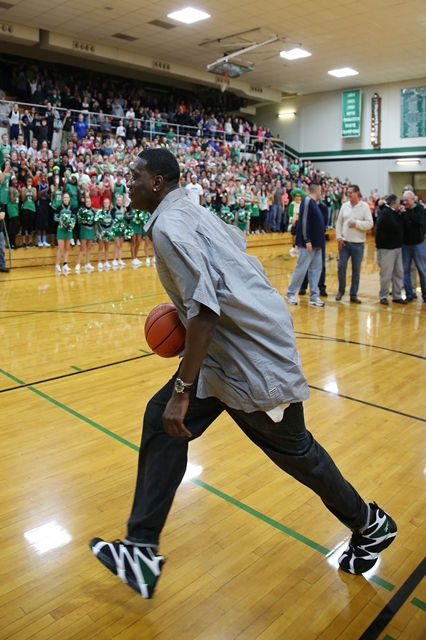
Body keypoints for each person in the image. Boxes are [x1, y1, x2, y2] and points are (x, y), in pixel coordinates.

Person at [90, 149, 397, 599]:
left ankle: (369, 524)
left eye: (134, 175)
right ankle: (140, 549)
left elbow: (205, 310)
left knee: (298, 454)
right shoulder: (190, 210)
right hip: (226, 357)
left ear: (157, 182)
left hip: (255, 359)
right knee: (163, 421)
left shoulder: (172, 227)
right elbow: (236, 246)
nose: (127, 181)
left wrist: (183, 388)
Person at [285, 184, 325, 307]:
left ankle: (314, 296)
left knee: (316, 270)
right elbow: (303, 221)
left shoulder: (315, 204)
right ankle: (290, 293)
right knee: (301, 269)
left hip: (318, 244)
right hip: (308, 244)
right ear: (317, 191)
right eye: (320, 191)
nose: (321, 193)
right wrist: (307, 240)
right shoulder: (307, 201)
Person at [335, 185, 373, 303]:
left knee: (356, 271)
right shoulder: (344, 206)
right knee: (341, 267)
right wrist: (339, 238)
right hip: (345, 243)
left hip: (358, 244)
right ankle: (341, 290)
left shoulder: (364, 207)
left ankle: (353, 294)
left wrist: (356, 223)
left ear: (357, 193)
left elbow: (369, 224)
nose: (349, 194)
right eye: (348, 192)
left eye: (351, 192)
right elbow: (339, 223)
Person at [375, 195, 406, 305]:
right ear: (392, 204)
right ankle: (383, 295)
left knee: (398, 272)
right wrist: (402, 216)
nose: (400, 205)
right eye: (398, 203)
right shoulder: (386, 213)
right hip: (387, 248)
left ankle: (397, 295)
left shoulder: (394, 213)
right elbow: (397, 227)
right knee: (386, 274)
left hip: (397, 247)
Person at [400, 190, 426, 303]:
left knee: (422, 269)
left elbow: (419, 220)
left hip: (418, 243)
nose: (405, 202)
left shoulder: (420, 208)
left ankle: (425, 294)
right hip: (405, 244)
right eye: (404, 200)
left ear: (413, 199)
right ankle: (409, 294)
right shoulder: (402, 207)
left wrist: (406, 213)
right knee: (405, 270)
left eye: (407, 200)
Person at [55, 193, 76, 275]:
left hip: (68, 230)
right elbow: (55, 217)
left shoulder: (72, 208)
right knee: (60, 249)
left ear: (69, 199)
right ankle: (57, 264)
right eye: (65, 197)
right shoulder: (59, 207)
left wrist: (73, 223)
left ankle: (65, 264)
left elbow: (74, 218)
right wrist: (59, 219)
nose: (66, 199)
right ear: (63, 199)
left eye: (67, 197)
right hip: (61, 230)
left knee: (67, 248)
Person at [75, 195, 95, 273]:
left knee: (89, 248)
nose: (88, 203)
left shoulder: (93, 211)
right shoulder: (82, 210)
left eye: (89, 202)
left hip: (91, 230)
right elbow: (79, 221)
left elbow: (94, 222)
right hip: (84, 230)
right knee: (82, 248)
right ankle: (78, 264)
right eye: (87, 202)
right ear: (85, 203)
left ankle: (87, 263)